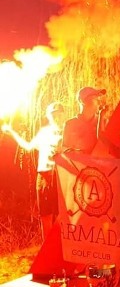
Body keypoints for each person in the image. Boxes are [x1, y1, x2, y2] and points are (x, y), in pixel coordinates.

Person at [1, 102, 65, 239]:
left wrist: (62, 151)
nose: (57, 116)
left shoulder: (67, 132)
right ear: (48, 116)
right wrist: (12, 132)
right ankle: (46, 249)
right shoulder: (44, 133)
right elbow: (28, 146)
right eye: (54, 114)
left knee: (62, 215)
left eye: (59, 113)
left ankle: (61, 250)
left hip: (61, 176)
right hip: (44, 175)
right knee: (45, 215)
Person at [62, 86, 105, 153]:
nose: (99, 103)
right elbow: (66, 151)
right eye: (96, 99)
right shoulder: (70, 125)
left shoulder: (104, 122)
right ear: (82, 101)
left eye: (99, 100)